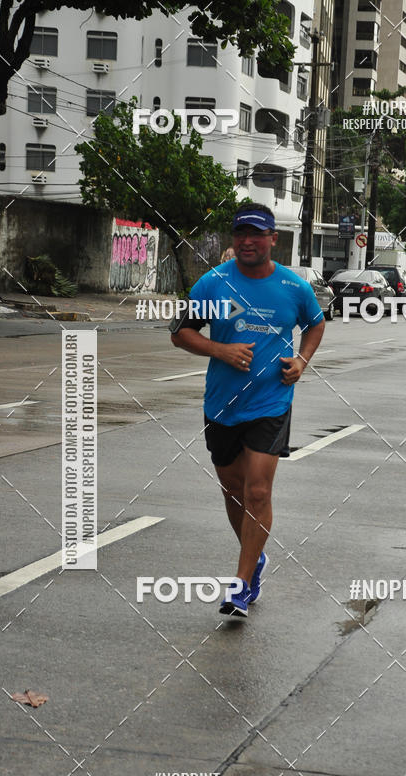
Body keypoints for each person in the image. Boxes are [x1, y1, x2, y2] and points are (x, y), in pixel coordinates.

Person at [170, 202, 325, 617]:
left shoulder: (295, 288)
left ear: (274, 239)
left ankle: (239, 586)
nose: (247, 241)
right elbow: (180, 333)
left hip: (271, 401)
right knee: (233, 490)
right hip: (222, 404)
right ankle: (254, 557)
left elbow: (316, 323)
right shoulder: (213, 283)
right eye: (240, 234)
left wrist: (302, 361)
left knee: (257, 490)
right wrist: (218, 348)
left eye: (256, 234)